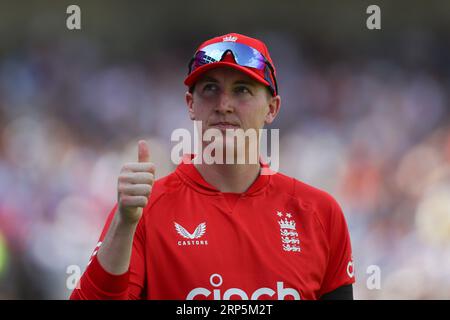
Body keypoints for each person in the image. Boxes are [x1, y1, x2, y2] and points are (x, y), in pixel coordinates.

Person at [70, 32, 355, 300]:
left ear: (272, 108)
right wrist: (123, 224)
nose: (224, 104)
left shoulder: (319, 213)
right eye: (210, 89)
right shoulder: (141, 211)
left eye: (242, 90)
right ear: (190, 104)